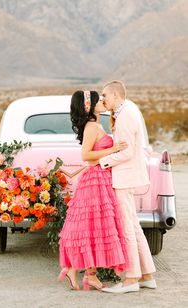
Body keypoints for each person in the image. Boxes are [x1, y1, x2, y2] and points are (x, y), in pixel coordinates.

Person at [58, 90, 129, 290]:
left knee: (95, 228)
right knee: (93, 228)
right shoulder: (91, 126)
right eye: (99, 100)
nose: (103, 101)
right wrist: (113, 149)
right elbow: (86, 155)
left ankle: (87, 274)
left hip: (101, 178)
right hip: (95, 180)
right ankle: (82, 273)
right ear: (90, 106)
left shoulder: (96, 124)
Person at [99, 80, 156, 294]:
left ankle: (131, 279)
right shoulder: (129, 111)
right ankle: (148, 275)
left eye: (105, 95)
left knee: (127, 228)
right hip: (130, 176)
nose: (103, 99)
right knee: (134, 226)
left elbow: (127, 152)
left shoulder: (124, 116)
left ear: (115, 95)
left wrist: (102, 162)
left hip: (125, 177)